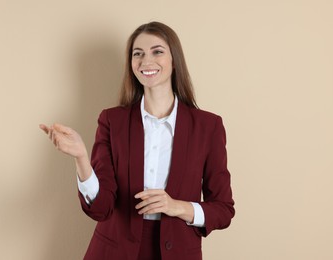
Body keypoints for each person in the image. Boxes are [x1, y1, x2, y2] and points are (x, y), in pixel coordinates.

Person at [40, 21, 235, 260]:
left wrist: (176, 206)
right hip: (113, 252)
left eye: (157, 51)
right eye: (138, 54)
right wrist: (81, 157)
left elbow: (223, 210)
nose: (146, 61)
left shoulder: (207, 126)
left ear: (174, 60)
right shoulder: (112, 121)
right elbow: (101, 208)